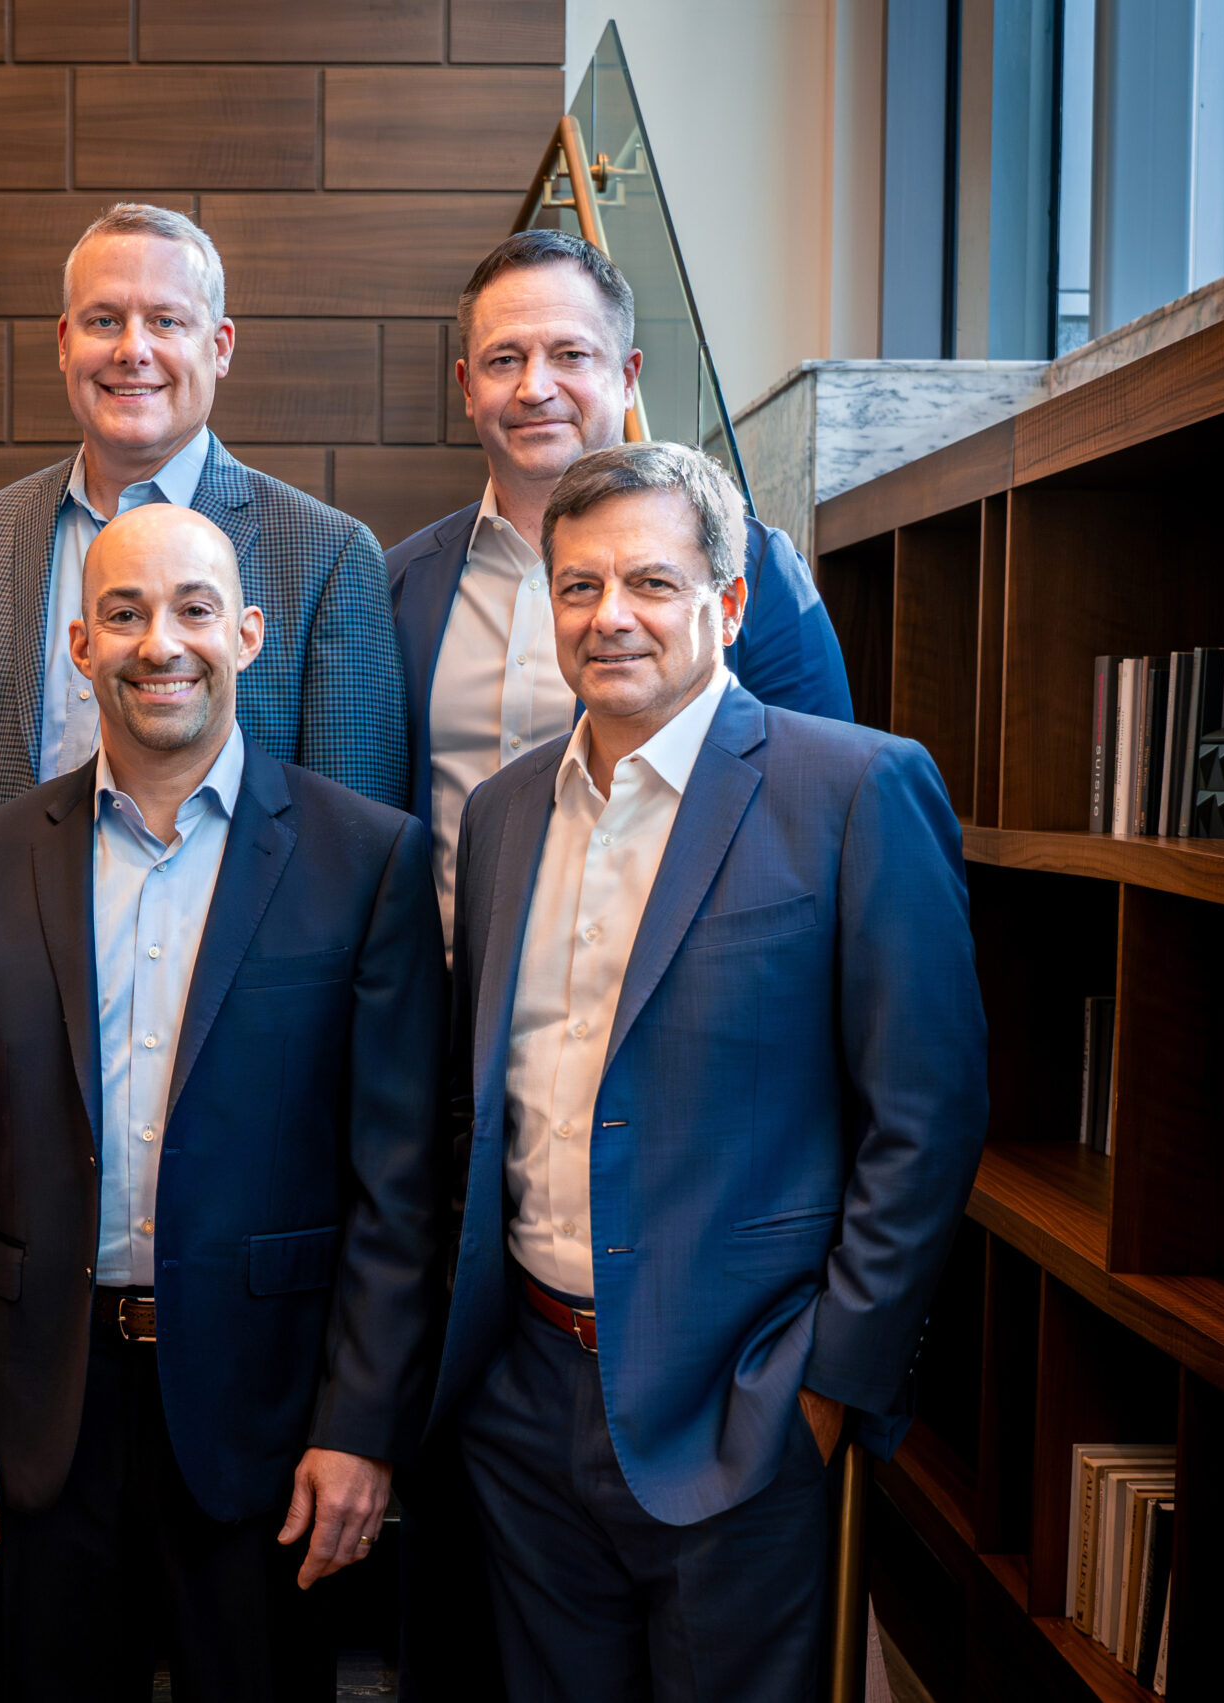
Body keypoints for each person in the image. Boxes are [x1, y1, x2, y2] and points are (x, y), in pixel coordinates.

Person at [432, 443, 985, 1703]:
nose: (609, 616)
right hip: (523, 1390)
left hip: (745, 1404)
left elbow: (928, 1115)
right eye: (577, 587)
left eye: (651, 583)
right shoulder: (507, 809)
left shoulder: (850, 787)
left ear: (726, 604)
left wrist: (831, 1381)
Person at [0, 503, 443, 1700]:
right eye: (125, 612)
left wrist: (360, 1425)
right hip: (48, 1404)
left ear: (247, 632)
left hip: (268, 1409)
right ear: (79, 646)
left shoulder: (367, 857)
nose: (163, 642)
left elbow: (396, 1187)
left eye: (195, 609)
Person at [0, 202, 408, 911]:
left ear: (220, 346)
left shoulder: (326, 555)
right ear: (65, 342)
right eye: (104, 320)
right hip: (5, 1008)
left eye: (166, 321)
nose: (132, 349)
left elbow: (356, 862)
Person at [385, 228, 852, 941]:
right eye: (504, 359)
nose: (535, 387)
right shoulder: (398, 585)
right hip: (451, 1019)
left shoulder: (750, 570)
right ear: (468, 386)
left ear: (628, 374)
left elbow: (820, 810)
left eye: (570, 354)